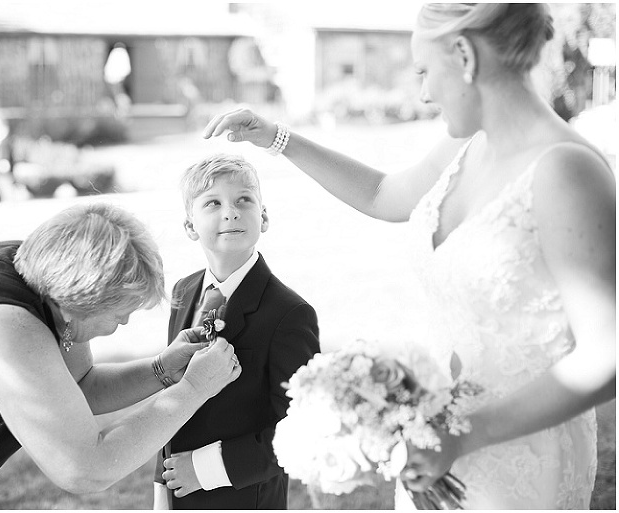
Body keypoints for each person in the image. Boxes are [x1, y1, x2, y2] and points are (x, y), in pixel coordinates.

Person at [202, 3, 615, 509]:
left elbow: (607, 357)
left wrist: (464, 436)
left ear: (463, 55)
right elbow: (382, 194)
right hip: (432, 442)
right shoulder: (467, 144)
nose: (423, 93)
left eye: (424, 71)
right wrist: (276, 139)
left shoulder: (567, 171)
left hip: (522, 459)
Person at [0, 202, 241, 509]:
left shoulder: (45, 276)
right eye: (121, 311)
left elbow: (79, 387)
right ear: (80, 300)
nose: (124, 322)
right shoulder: (6, 329)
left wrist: (163, 370)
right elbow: (85, 469)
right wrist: (193, 389)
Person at [153, 154, 321, 509]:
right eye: (213, 203)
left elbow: (300, 428)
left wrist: (202, 469)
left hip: (244, 497)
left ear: (263, 216)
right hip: (177, 495)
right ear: (189, 226)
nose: (230, 212)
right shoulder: (184, 293)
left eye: (244, 200)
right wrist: (161, 488)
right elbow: (173, 394)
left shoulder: (289, 313)